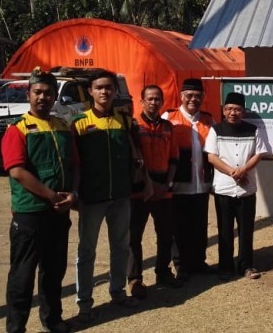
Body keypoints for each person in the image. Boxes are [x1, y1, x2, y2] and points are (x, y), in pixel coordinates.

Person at [1, 68, 77, 333]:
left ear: (55, 96)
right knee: (22, 276)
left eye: (48, 93)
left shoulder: (62, 127)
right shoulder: (17, 129)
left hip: (58, 214)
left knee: (53, 272)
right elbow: (17, 172)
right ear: (28, 95)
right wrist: (51, 195)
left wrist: (72, 194)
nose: (42, 97)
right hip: (30, 214)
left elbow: (74, 165)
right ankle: (16, 328)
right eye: (37, 92)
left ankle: (52, 319)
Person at [73, 70, 145, 322]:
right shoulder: (79, 123)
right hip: (91, 199)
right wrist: (75, 194)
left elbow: (137, 155)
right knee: (87, 251)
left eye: (109, 87)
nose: (104, 91)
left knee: (121, 247)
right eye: (99, 87)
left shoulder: (124, 121)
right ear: (90, 91)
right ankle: (84, 303)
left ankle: (118, 292)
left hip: (121, 196)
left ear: (115, 90)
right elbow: (74, 163)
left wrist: (141, 180)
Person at [205, 92, 268, 281]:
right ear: (224, 111)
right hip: (224, 189)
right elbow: (212, 157)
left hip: (246, 190)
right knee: (225, 230)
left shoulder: (253, 129)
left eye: (237, 109)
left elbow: (259, 154)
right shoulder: (216, 130)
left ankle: (246, 265)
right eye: (229, 109)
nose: (233, 113)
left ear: (243, 111)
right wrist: (233, 172)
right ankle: (225, 267)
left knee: (246, 230)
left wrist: (243, 170)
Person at [129, 84, 182, 295]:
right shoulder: (133, 126)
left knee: (166, 233)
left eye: (157, 99)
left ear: (162, 102)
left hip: (163, 188)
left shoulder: (168, 127)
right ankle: (135, 280)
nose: (153, 102)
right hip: (139, 189)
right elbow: (133, 158)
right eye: (149, 99)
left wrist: (167, 184)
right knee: (134, 236)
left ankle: (163, 272)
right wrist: (147, 183)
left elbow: (174, 158)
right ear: (141, 101)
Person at [163, 78, 215, 280]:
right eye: (190, 95)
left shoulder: (209, 121)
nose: (194, 99)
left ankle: (198, 262)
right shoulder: (169, 117)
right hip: (179, 184)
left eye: (198, 96)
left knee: (200, 225)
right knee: (178, 226)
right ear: (181, 96)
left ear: (203, 97)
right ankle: (180, 264)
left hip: (202, 184)